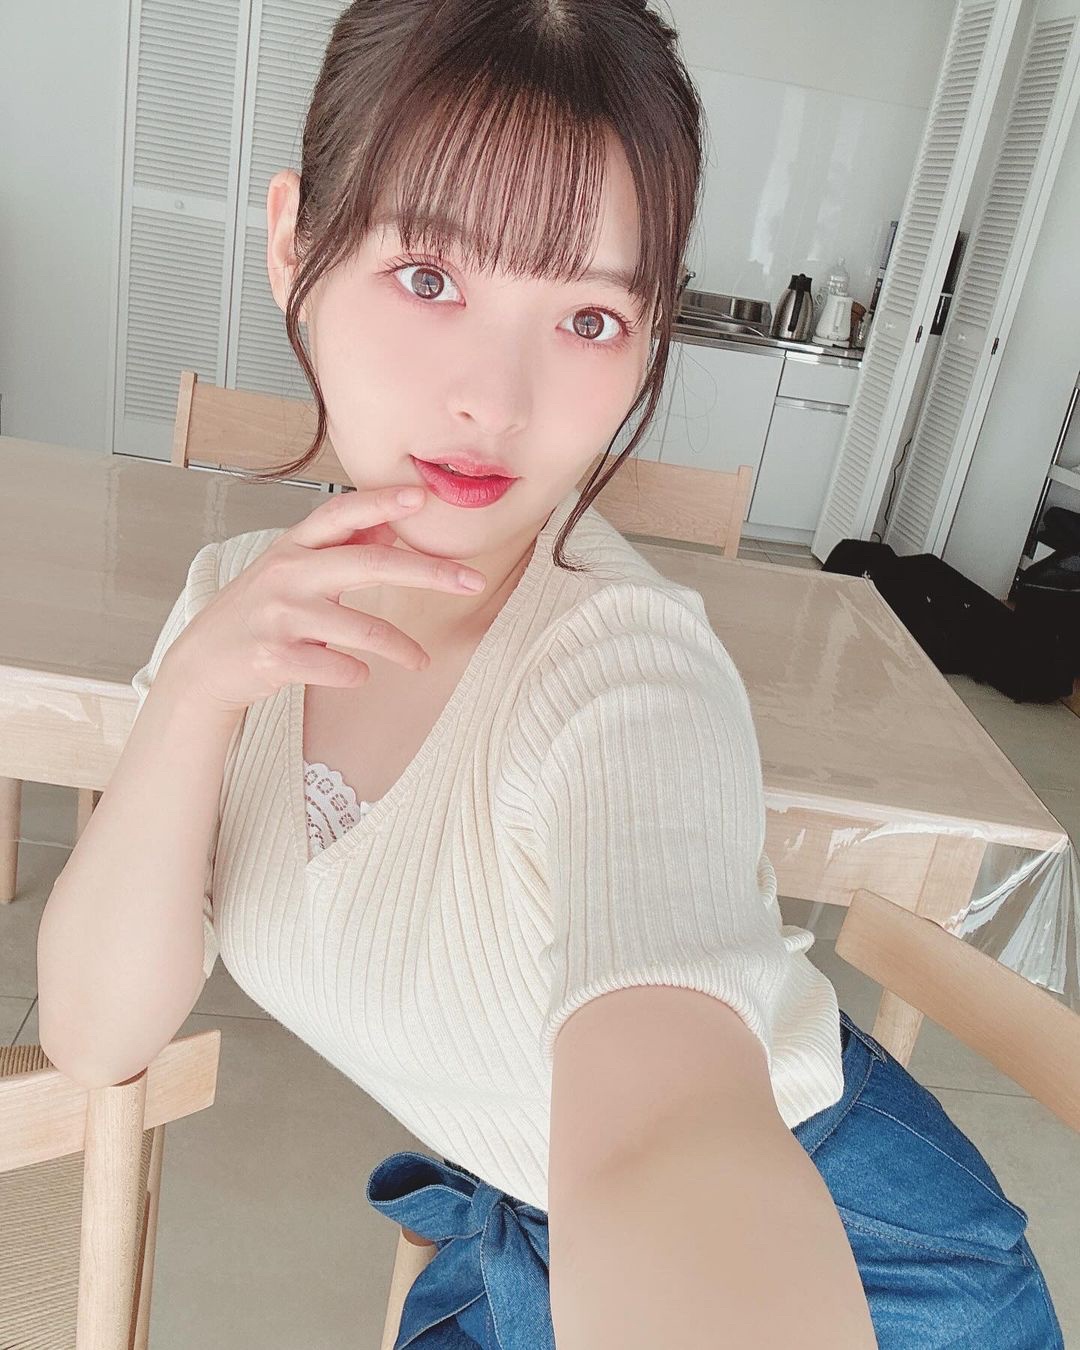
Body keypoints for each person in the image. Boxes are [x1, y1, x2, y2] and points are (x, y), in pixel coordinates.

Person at [36, 3, 1063, 1347]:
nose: (497, 400)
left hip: (879, 1272)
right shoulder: (236, 606)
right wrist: (188, 701)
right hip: (526, 1234)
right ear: (294, 244)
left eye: (587, 316)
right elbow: (97, 1035)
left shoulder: (627, 680)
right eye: (428, 278)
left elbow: (670, 1137)